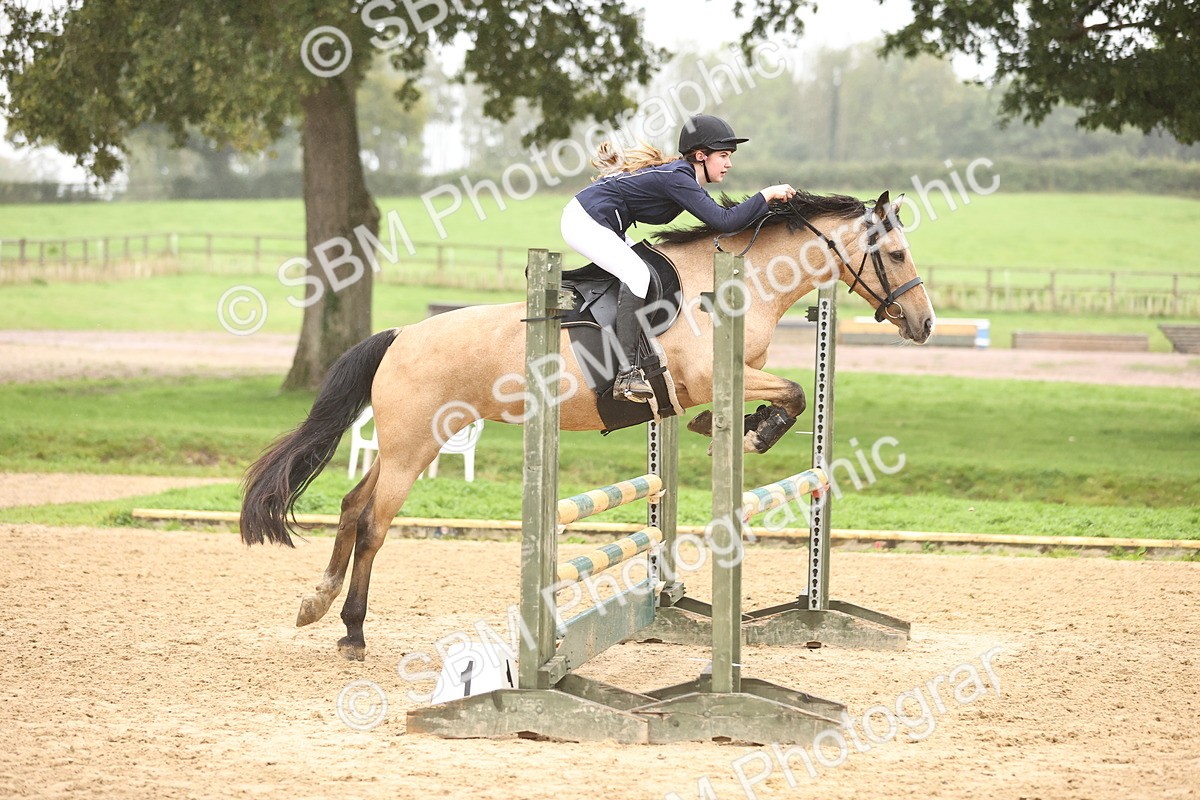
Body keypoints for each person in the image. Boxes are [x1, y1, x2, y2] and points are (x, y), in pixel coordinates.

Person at [561, 114, 797, 403]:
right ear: (700, 156)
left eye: (729, 156)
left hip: (604, 222)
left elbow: (726, 221)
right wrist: (766, 194)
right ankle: (626, 374)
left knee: (648, 272)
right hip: (585, 220)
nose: (729, 164)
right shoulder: (679, 178)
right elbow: (724, 221)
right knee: (637, 275)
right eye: (723, 155)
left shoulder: (682, 175)